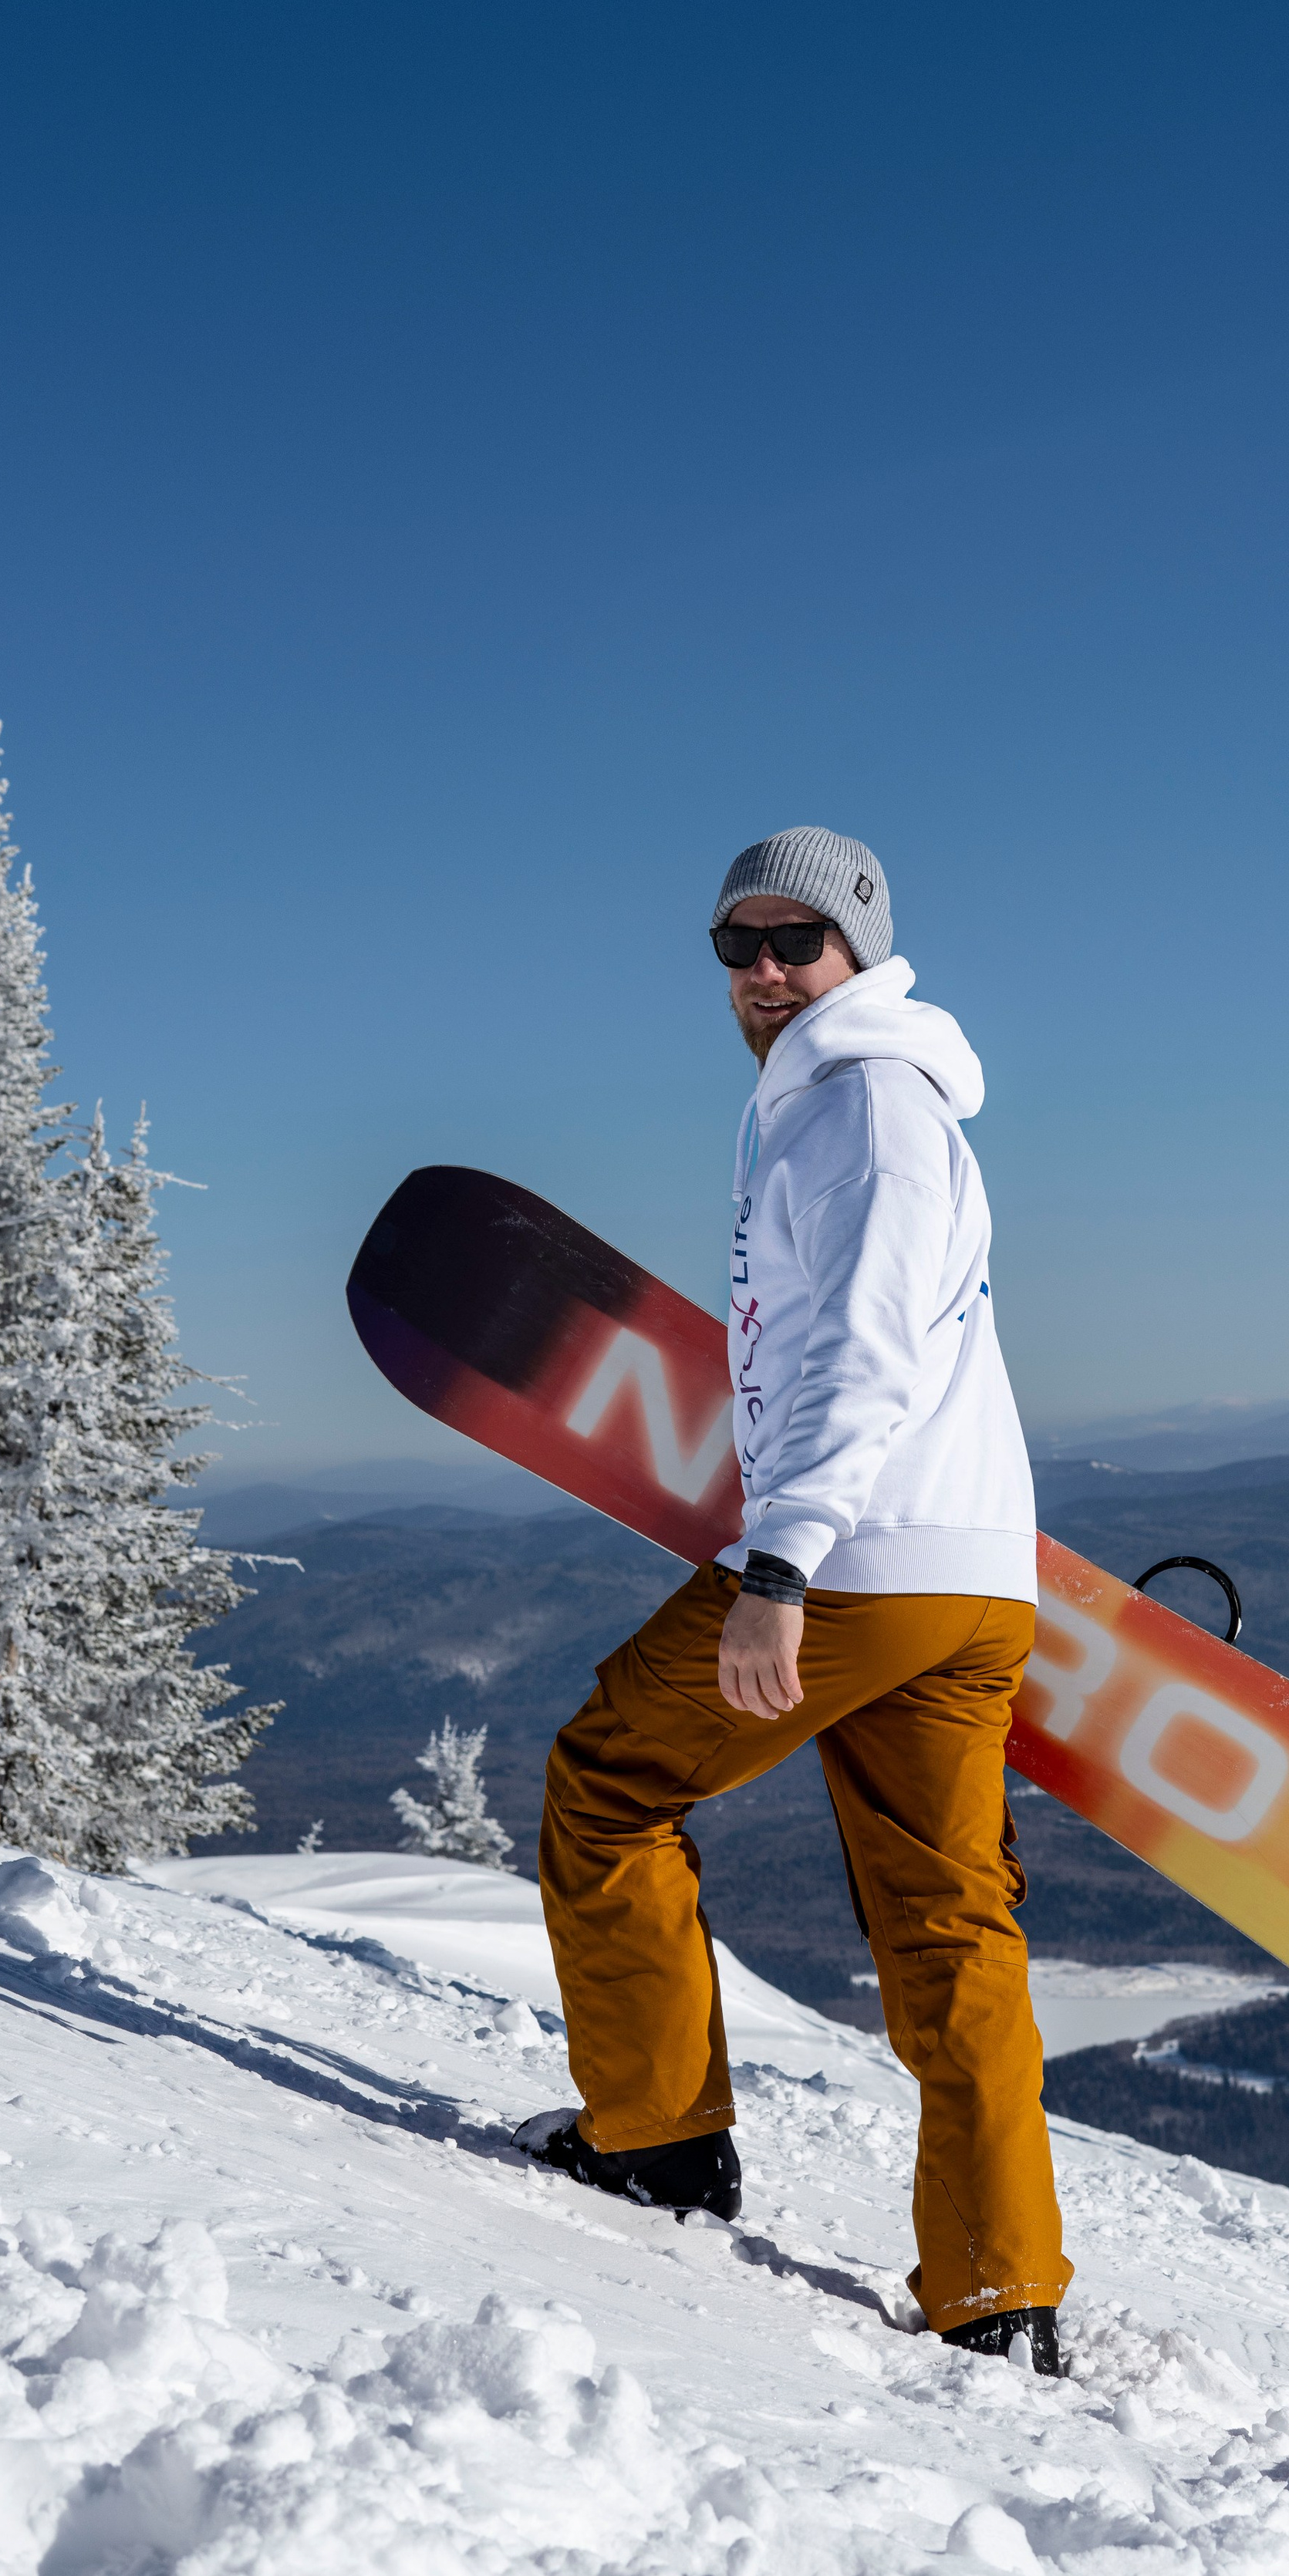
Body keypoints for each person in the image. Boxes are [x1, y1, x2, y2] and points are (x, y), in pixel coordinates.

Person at [530, 825, 1071, 2371]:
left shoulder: (861, 1111)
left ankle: (653, 2140)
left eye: (796, 945)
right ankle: (997, 2288)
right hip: (969, 1578)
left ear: (859, 953)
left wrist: (781, 1564)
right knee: (948, 1921)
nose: (765, 974)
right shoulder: (864, 1104)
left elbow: (858, 1346)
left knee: (607, 1780)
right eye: (736, 949)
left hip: (859, 1569)